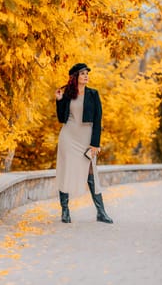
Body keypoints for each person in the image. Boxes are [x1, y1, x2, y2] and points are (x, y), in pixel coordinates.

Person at [55, 63, 113, 224]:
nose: (86, 75)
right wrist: (59, 100)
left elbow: (97, 119)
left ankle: (101, 212)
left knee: (91, 173)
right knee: (66, 171)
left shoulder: (93, 94)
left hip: (86, 138)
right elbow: (61, 118)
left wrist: (95, 143)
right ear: (75, 77)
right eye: (82, 73)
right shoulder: (68, 94)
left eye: (87, 73)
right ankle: (65, 211)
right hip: (68, 136)